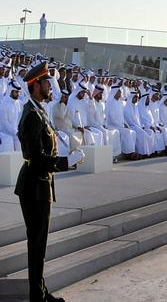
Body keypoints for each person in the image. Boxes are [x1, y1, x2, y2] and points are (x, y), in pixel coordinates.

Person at [16, 61, 84, 302]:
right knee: (37, 244)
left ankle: (40, 293)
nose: (50, 87)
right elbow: (38, 158)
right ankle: (38, 296)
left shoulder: (39, 111)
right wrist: (67, 162)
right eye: (46, 83)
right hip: (34, 185)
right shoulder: (32, 115)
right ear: (36, 86)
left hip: (40, 184)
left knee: (39, 244)